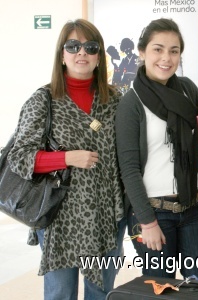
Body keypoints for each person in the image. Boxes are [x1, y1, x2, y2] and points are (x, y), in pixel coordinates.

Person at [8, 19, 126, 299]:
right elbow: (19, 157)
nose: (81, 53)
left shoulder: (116, 100)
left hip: (106, 215)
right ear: (62, 54)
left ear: (99, 57)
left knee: (102, 292)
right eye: (73, 46)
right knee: (60, 293)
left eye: (90, 46)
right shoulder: (43, 100)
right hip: (58, 217)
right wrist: (66, 158)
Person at [115, 18, 198, 283]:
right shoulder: (131, 102)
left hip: (190, 207)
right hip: (151, 212)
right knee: (162, 288)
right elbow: (129, 169)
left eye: (174, 50)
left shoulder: (186, 89)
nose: (166, 58)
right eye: (158, 49)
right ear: (142, 51)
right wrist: (147, 223)